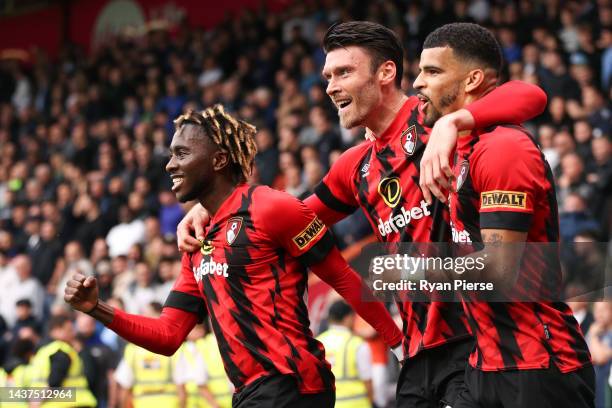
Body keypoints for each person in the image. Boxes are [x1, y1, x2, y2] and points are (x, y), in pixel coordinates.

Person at [177, 21, 547, 407]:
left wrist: (454, 122)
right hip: (417, 356)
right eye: (327, 76)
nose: (331, 86)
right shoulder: (355, 167)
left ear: (386, 72)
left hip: (474, 343)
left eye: (343, 72)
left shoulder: (434, 119)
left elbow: (532, 95)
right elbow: (284, 219)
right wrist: (210, 209)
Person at [64, 104, 405, 408]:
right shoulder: (196, 241)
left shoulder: (271, 207)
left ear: (218, 159)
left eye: (182, 153)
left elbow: (342, 277)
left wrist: (398, 344)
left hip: (293, 383)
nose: (170, 165)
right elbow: (168, 336)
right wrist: (97, 308)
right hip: (249, 393)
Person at [414, 23, 593, 407]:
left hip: (537, 366)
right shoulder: (461, 143)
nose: (418, 82)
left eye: (432, 71)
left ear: (473, 79)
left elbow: (499, 269)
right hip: (485, 363)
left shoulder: (502, 149)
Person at [114, 302, 187, 408]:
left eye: (148, 314)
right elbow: (182, 388)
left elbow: (125, 388)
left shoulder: (132, 350)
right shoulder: (173, 348)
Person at [29, 315, 97, 407]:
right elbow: (54, 382)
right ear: (57, 330)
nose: (73, 334)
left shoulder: (47, 350)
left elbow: (53, 383)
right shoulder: (60, 350)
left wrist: (36, 402)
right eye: (69, 330)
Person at [317, 300, 373, 408]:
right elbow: (368, 381)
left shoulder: (318, 342)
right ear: (347, 318)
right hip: (357, 404)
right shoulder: (357, 344)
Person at [176, 323, 232, 408]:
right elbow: (199, 383)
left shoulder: (204, 345)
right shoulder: (201, 347)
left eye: (200, 328)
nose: (199, 332)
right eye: (195, 329)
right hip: (206, 403)